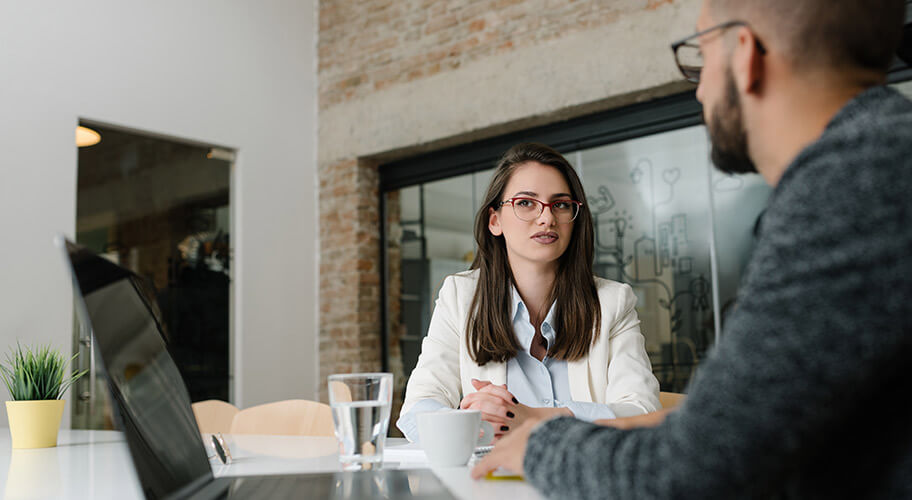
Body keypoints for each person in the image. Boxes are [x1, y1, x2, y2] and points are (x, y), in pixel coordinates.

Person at [473, 0, 912, 497]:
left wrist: (541, 444)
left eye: (699, 56)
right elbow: (751, 429)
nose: (700, 88)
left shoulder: (852, 184)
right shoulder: (880, 160)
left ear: (744, 54)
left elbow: (690, 471)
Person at [396, 143, 660, 443]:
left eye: (560, 204)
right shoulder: (461, 296)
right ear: (494, 220)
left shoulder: (613, 302)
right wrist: (470, 420)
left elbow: (643, 412)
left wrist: (536, 419)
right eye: (526, 203)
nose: (547, 218)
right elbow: (418, 407)